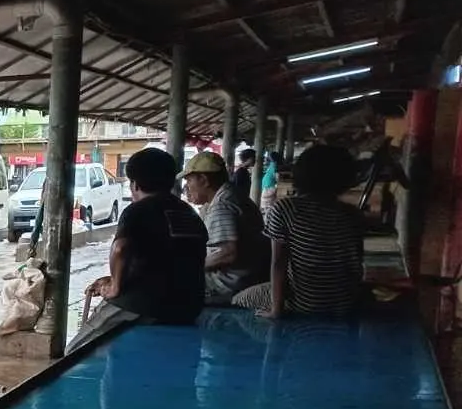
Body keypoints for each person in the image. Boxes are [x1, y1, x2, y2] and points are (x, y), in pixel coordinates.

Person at [71, 148, 208, 351]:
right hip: (189, 306)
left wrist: (116, 285)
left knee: (75, 350)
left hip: (144, 304)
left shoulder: (139, 210)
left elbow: (120, 248)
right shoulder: (189, 213)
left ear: (134, 184)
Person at [232, 144, 362, 318]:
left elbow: (278, 263)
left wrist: (276, 310)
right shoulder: (352, 213)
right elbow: (356, 266)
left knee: (239, 299)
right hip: (343, 303)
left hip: (304, 301)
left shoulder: (286, 208)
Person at [179, 152, 267, 305]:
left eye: (189, 180)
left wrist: (191, 268)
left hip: (228, 284)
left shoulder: (222, 205)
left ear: (204, 180)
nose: (187, 187)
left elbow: (227, 254)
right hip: (251, 273)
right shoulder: (233, 195)